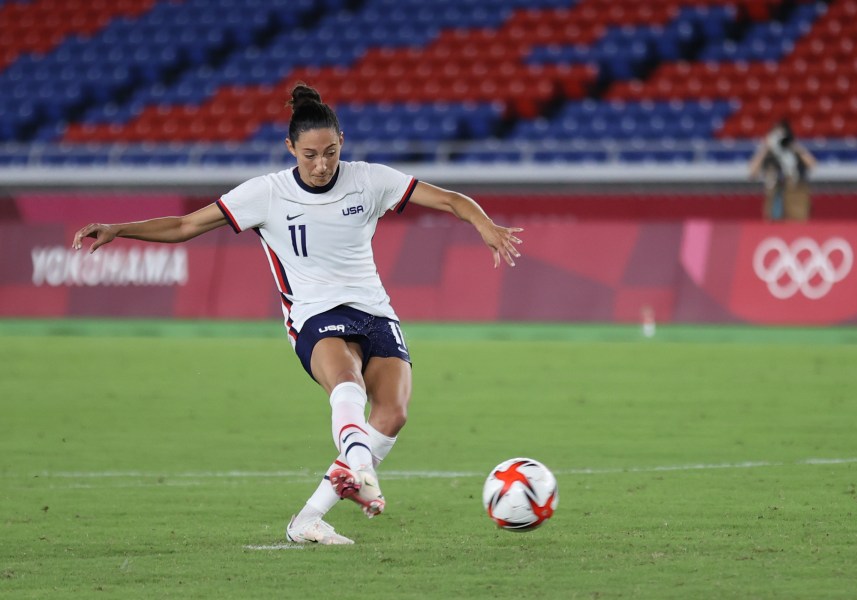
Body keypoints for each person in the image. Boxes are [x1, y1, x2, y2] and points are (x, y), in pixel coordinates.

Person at [72, 82, 524, 545]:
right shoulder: (265, 194)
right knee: (346, 383)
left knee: (393, 412)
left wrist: (484, 224)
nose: (321, 164)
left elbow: (450, 199)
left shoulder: (369, 179)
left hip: (374, 309)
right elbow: (187, 224)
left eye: (330, 152)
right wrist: (121, 228)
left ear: (341, 142)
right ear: (290, 148)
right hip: (312, 314)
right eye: (310, 155)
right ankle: (362, 473)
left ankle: (308, 519)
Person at [748, 118, 817, 221]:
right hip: (774, 198)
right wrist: (765, 148)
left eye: (782, 135)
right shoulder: (768, 155)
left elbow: (812, 165)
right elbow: (752, 173)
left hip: (796, 197)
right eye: (776, 135)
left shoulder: (795, 152)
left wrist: (794, 145)